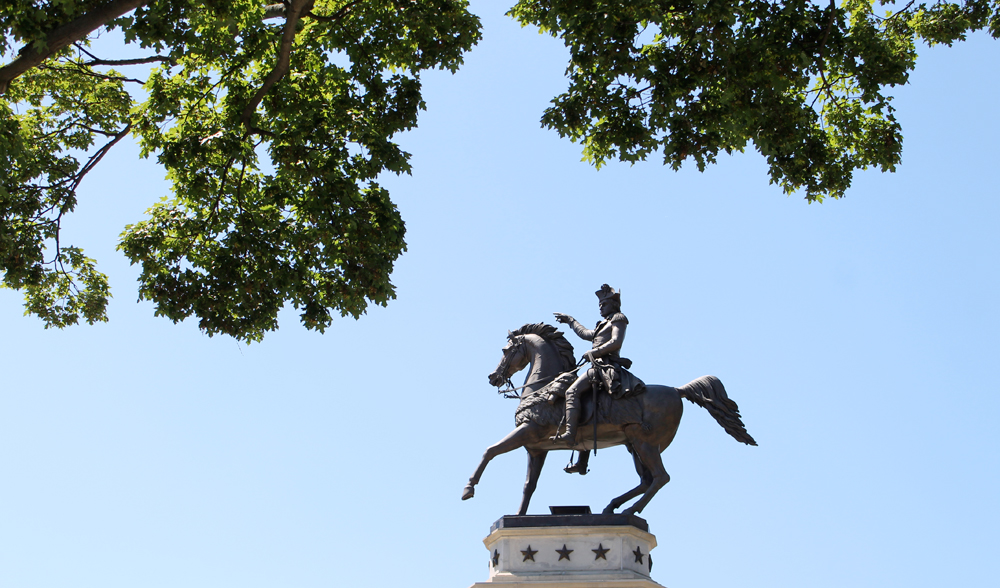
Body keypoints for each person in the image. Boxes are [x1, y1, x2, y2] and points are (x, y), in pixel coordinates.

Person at [551, 284, 645, 448]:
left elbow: (616, 342)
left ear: (613, 305)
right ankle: (581, 454)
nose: (601, 308)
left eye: (604, 304)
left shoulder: (618, 319)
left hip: (605, 366)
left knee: (572, 391)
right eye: (599, 305)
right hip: (597, 365)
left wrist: (595, 352)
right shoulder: (603, 323)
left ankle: (570, 434)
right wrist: (570, 321)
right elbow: (586, 334)